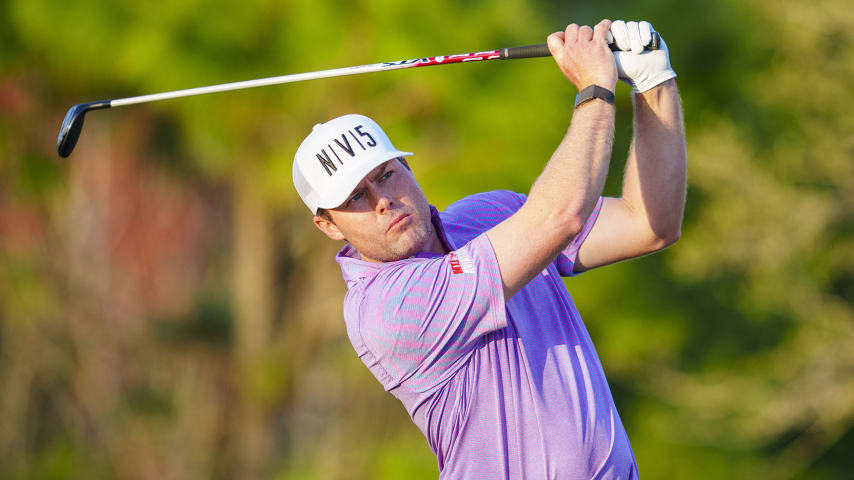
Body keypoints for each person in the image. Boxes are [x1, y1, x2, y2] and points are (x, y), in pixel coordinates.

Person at [291, 18, 686, 480]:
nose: (383, 201)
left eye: (386, 174)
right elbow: (559, 217)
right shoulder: (385, 309)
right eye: (356, 198)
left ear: (407, 166)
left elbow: (650, 223)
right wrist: (596, 89)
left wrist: (653, 83)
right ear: (328, 226)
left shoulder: (491, 215)